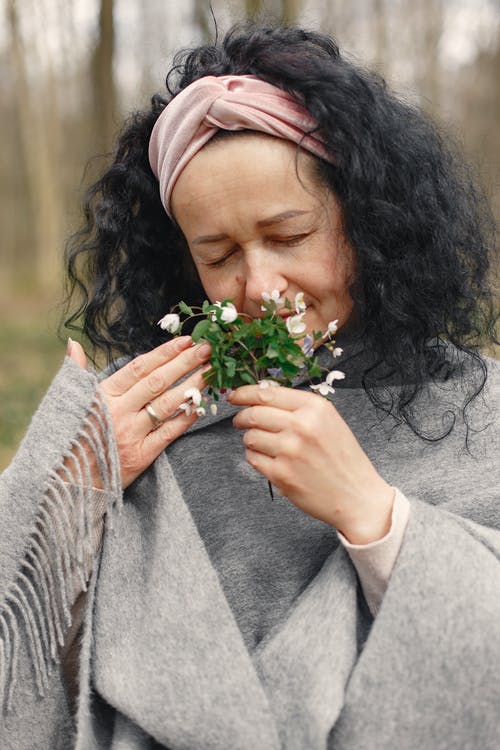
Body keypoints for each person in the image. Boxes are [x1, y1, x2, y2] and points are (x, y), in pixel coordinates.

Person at [1, 23, 499, 750]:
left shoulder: (479, 408)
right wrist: (65, 489)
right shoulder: (141, 414)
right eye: (219, 253)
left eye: (290, 236)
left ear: (366, 224)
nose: (259, 287)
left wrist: (374, 516)